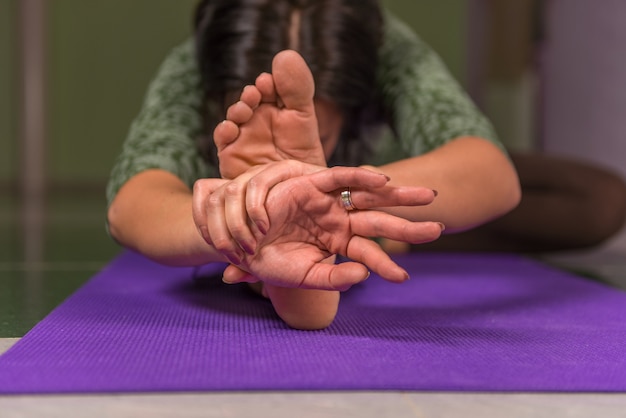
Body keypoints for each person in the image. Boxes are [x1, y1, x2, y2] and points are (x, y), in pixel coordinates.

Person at [106, 0, 525, 330]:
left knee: (587, 201)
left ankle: (348, 232)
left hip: (369, 184)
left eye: (317, 136)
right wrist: (235, 219)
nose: (285, 171)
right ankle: (289, 242)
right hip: (253, 200)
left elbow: (492, 174)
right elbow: (132, 202)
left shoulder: (383, 45)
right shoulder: (197, 60)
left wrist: (326, 195)